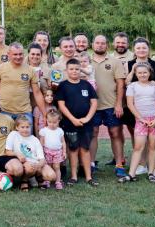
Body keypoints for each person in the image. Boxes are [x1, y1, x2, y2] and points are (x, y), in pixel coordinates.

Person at [87, 35, 127, 177]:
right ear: (92, 44)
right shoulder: (85, 61)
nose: (100, 45)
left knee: (115, 133)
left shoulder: (115, 61)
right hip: (92, 105)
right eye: (97, 43)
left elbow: (120, 84)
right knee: (93, 133)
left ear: (107, 45)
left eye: (103, 43)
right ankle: (91, 164)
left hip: (111, 104)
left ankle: (119, 164)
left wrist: (119, 104)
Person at [54, 58, 98, 186]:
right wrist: (73, 119)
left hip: (86, 123)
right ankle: (73, 176)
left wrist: (87, 118)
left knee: (85, 149)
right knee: (73, 149)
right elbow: (61, 105)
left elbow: (94, 102)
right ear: (66, 70)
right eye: (71, 69)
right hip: (70, 123)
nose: (74, 71)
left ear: (81, 70)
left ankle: (89, 177)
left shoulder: (86, 85)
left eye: (77, 69)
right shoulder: (63, 86)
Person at [119, 63, 155, 183]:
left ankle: (151, 172)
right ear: (136, 74)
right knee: (138, 147)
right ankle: (131, 174)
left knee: (152, 146)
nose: (142, 75)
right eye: (139, 73)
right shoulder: (132, 86)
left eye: (145, 72)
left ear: (149, 73)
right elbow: (130, 104)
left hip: (154, 120)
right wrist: (140, 118)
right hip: (140, 121)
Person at [125, 37, 155, 175]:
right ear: (134, 50)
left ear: (148, 49)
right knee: (139, 137)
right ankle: (142, 164)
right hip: (136, 106)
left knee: (154, 141)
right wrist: (133, 70)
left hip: (153, 106)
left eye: (144, 48)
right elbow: (126, 82)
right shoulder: (129, 64)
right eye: (138, 48)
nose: (141, 50)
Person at [0, 43, 46, 128]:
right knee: (4, 136)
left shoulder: (31, 70)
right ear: (8, 54)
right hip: (4, 111)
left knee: (25, 136)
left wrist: (45, 114)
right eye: (15, 54)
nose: (18, 57)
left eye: (20, 54)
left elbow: (37, 93)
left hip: (24, 113)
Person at [4, 116, 55, 191]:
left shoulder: (35, 139)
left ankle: (38, 177)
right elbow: (7, 152)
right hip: (24, 163)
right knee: (30, 168)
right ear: (17, 127)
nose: (25, 129)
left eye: (27, 127)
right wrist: (17, 154)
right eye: (22, 127)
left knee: (52, 176)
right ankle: (24, 180)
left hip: (35, 163)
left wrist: (38, 166)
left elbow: (42, 159)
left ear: (30, 127)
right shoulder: (13, 134)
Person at [39, 110, 66, 189]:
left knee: (57, 167)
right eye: (50, 122)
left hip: (57, 152)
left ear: (58, 121)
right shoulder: (44, 131)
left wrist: (64, 152)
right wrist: (41, 153)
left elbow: (63, 142)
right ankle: (47, 180)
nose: (52, 124)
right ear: (46, 120)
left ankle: (58, 181)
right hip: (47, 151)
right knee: (48, 166)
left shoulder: (60, 131)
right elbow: (41, 143)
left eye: (54, 122)